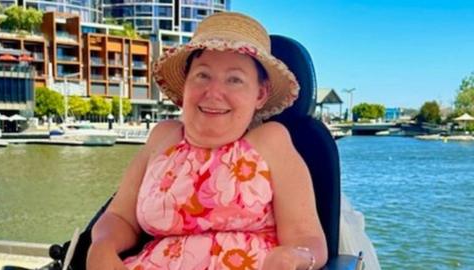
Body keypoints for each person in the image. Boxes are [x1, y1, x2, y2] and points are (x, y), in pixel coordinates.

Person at [87, 12, 327, 270]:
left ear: (260, 93)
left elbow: (307, 237)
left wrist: (296, 258)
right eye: (202, 75)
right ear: (187, 83)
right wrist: (103, 245)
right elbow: (120, 217)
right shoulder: (162, 137)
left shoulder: (272, 141)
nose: (213, 93)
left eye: (234, 80)